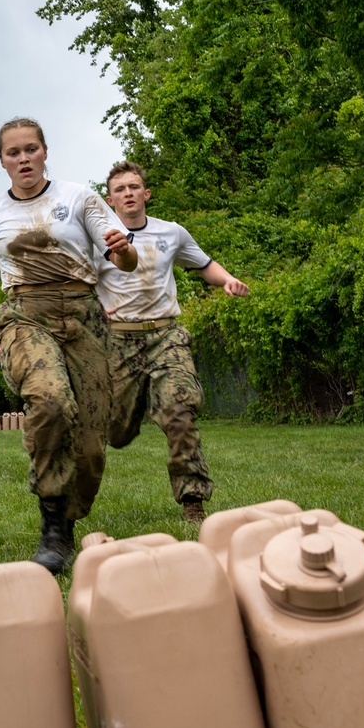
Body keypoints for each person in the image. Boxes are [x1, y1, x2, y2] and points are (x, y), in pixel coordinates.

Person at [0, 117, 136, 572]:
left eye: (31, 149)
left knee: (92, 445)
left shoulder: (80, 198)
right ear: (1, 161)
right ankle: (53, 526)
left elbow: (127, 259)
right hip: (23, 314)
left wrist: (122, 249)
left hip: (83, 315)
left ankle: (70, 516)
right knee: (52, 402)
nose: (23, 159)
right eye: (13, 153)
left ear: (44, 152)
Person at [98, 160, 250, 525]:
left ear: (146, 193)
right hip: (120, 341)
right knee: (115, 432)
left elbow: (203, 264)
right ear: (110, 199)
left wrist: (227, 280)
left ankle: (192, 502)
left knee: (180, 412)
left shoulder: (172, 233)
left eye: (134, 187)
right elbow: (80, 284)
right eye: (120, 189)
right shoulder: (97, 238)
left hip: (167, 334)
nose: (129, 193)